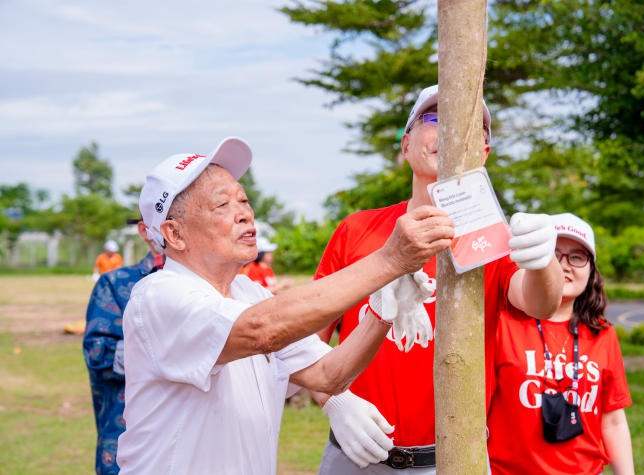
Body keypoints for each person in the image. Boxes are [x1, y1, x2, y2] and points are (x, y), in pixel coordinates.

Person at [115, 137, 455, 475]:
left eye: (244, 200)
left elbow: (328, 375)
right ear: (174, 234)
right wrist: (390, 259)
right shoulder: (159, 297)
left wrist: (382, 311)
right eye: (222, 206)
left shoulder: (249, 293)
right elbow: (262, 329)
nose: (245, 214)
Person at [312, 84, 565, 474]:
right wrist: (333, 402)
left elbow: (540, 302)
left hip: (451, 461)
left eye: (468, 125)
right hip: (354, 454)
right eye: (434, 118)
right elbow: (307, 342)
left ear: (483, 153)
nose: (449, 131)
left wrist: (542, 260)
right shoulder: (356, 230)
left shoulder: (493, 240)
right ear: (406, 144)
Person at [487, 212, 634, 474]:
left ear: (591, 271)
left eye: (577, 256)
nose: (563, 266)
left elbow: (612, 421)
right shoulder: (503, 324)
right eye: (553, 254)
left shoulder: (602, 333)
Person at [83, 218, 165, 475]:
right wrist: (175, 351)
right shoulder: (116, 284)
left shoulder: (220, 288)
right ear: (144, 230)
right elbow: (99, 355)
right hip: (131, 445)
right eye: (168, 219)